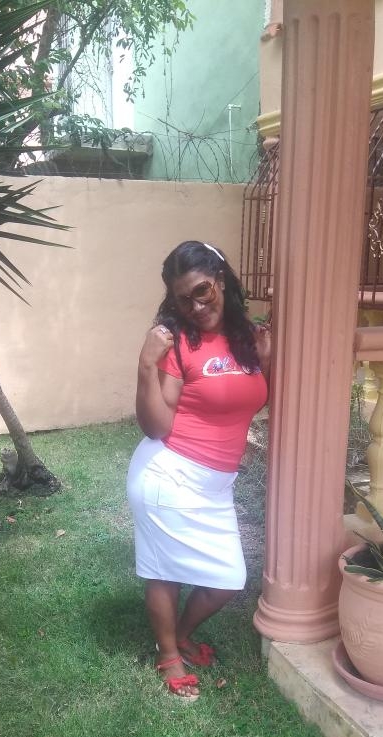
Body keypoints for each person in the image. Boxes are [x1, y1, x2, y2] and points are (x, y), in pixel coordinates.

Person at [127, 240, 270, 702]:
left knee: (228, 579)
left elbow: (250, 400)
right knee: (163, 571)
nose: (196, 306)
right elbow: (156, 426)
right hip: (169, 475)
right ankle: (169, 653)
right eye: (183, 299)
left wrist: (266, 361)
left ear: (221, 280)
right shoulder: (179, 343)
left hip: (215, 486)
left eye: (202, 291)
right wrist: (146, 365)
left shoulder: (246, 337)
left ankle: (181, 634)